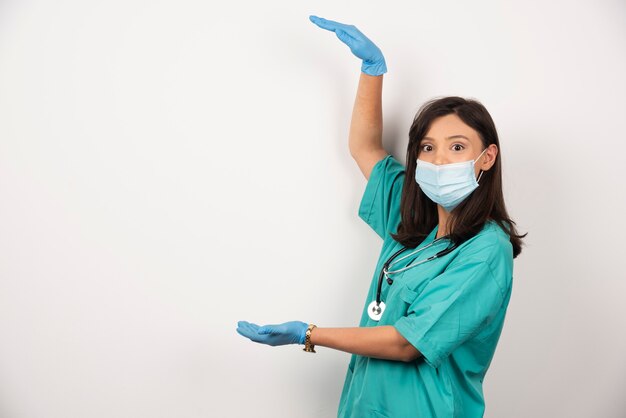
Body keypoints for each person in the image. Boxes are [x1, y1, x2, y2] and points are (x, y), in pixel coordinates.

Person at [236, 15, 527, 418]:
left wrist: (309, 334)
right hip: (365, 406)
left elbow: (408, 344)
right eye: (427, 147)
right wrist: (373, 70)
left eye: (457, 147)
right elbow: (364, 148)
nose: (439, 160)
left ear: (487, 158)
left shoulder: (486, 249)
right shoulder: (413, 219)